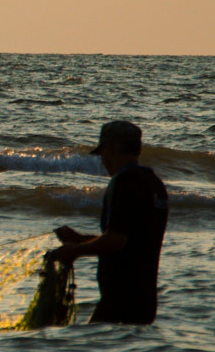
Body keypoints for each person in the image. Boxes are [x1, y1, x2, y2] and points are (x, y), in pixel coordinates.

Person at [47, 120, 169, 324]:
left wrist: (74, 251)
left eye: (102, 154)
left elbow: (116, 241)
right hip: (145, 301)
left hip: (120, 300)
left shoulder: (124, 182)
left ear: (110, 149)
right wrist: (80, 239)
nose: (102, 161)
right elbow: (130, 241)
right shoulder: (154, 183)